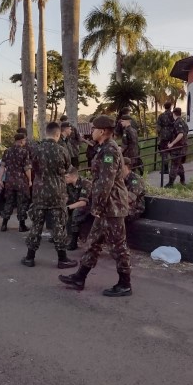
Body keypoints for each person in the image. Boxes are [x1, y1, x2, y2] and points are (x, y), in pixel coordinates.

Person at [58, 115, 132, 297]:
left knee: (119, 246)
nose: (91, 131)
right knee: (93, 243)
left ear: (103, 131)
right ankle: (79, 277)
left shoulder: (109, 150)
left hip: (112, 206)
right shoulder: (105, 148)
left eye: (93, 129)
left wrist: (97, 207)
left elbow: (105, 183)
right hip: (107, 206)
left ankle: (125, 284)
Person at [20, 122, 77, 269]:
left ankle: (29, 257)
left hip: (39, 192)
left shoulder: (36, 150)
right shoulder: (62, 150)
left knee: (37, 224)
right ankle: (62, 259)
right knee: (58, 225)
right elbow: (67, 169)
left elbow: (33, 168)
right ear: (57, 134)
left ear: (46, 132)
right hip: (57, 192)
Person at [0, 133, 32, 233]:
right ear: (21, 140)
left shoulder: (7, 151)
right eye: (25, 140)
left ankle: (4, 224)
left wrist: (0, 180)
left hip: (9, 181)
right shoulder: (24, 152)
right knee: (21, 203)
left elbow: (2, 166)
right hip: (21, 181)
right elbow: (27, 168)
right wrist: (30, 180)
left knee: (9, 201)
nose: (25, 142)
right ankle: (21, 225)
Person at [65, 167, 93, 251]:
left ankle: (74, 241)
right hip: (75, 204)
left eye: (66, 177)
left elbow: (83, 202)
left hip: (88, 206)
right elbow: (65, 197)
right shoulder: (68, 184)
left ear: (73, 176)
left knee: (76, 213)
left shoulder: (85, 183)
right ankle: (60, 234)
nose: (64, 179)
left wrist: (68, 207)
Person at [165, 107, 189, 187]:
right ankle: (182, 180)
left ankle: (170, 183)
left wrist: (172, 144)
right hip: (182, 147)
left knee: (174, 165)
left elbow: (181, 134)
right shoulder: (183, 122)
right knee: (179, 164)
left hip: (178, 147)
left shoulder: (177, 122)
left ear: (173, 113)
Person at [122, 157, 146, 223]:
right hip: (123, 207)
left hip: (134, 209)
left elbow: (129, 199)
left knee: (114, 214)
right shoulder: (120, 179)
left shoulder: (135, 180)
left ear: (125, 166)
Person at [157, 102, 176, 172]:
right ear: (170, 107)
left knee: (164, 152)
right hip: (172, 135)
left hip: (164, 135)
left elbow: (158, 127)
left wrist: (159, 135)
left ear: (164, 107)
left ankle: (165, 169)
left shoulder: (161, 116)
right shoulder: (173, 115)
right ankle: (174, 167)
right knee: (173, 151)